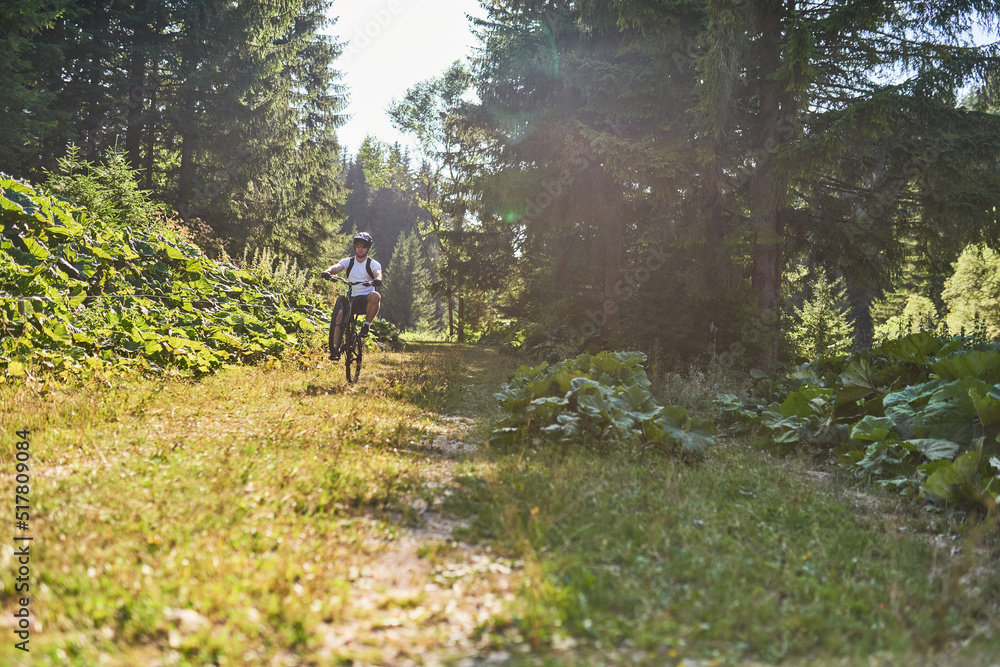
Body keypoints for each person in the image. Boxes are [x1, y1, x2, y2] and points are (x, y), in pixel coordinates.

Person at [321, 232, 383, 361]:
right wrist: (328, 271)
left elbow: (378, 273)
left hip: (365, 300)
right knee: (338, 316)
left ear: (368, 248)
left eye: (364, 245)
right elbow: (337, 267)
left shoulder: (373, 263)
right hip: (351, 298)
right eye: (358, 245)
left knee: (375, 295)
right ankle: (335, 349)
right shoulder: (348, 261)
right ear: (355, 246)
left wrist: (377, 279)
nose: (360, 248)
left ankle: (366, 326)